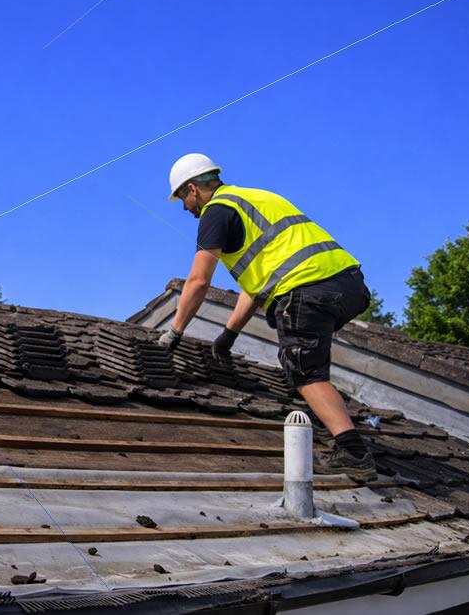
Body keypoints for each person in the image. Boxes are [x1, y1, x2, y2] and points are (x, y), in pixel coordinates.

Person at [157, 153, 376, 482]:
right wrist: (229, 334)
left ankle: (352, 451)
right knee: (310, 351)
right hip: (347, 285)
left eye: (183, 201)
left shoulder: (216, 211)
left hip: (305, 288)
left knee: (303, 368)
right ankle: (331, 408)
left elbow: (198, 280)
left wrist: (174, 331)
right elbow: (259, 284)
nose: (185, 210)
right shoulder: (256, 197)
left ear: (192, 189)